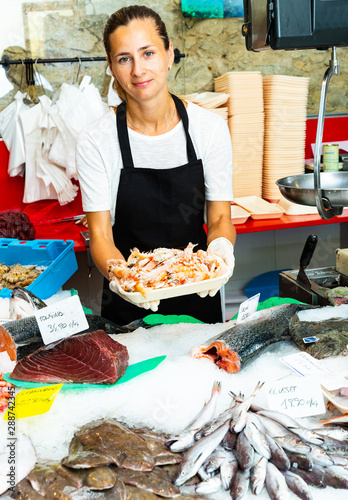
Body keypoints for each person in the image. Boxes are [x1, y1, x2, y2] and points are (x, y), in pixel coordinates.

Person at [76, 5, 236, 325]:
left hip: (197, 290)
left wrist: (220, 253)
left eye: (148, 53)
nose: (138, 70)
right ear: (111, 67)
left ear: (169, 54)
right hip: (129, 300)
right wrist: (130, 281)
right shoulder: (96, 140)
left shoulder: (209, 129)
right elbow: (101, 237)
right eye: (124, 59)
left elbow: (219, 217)